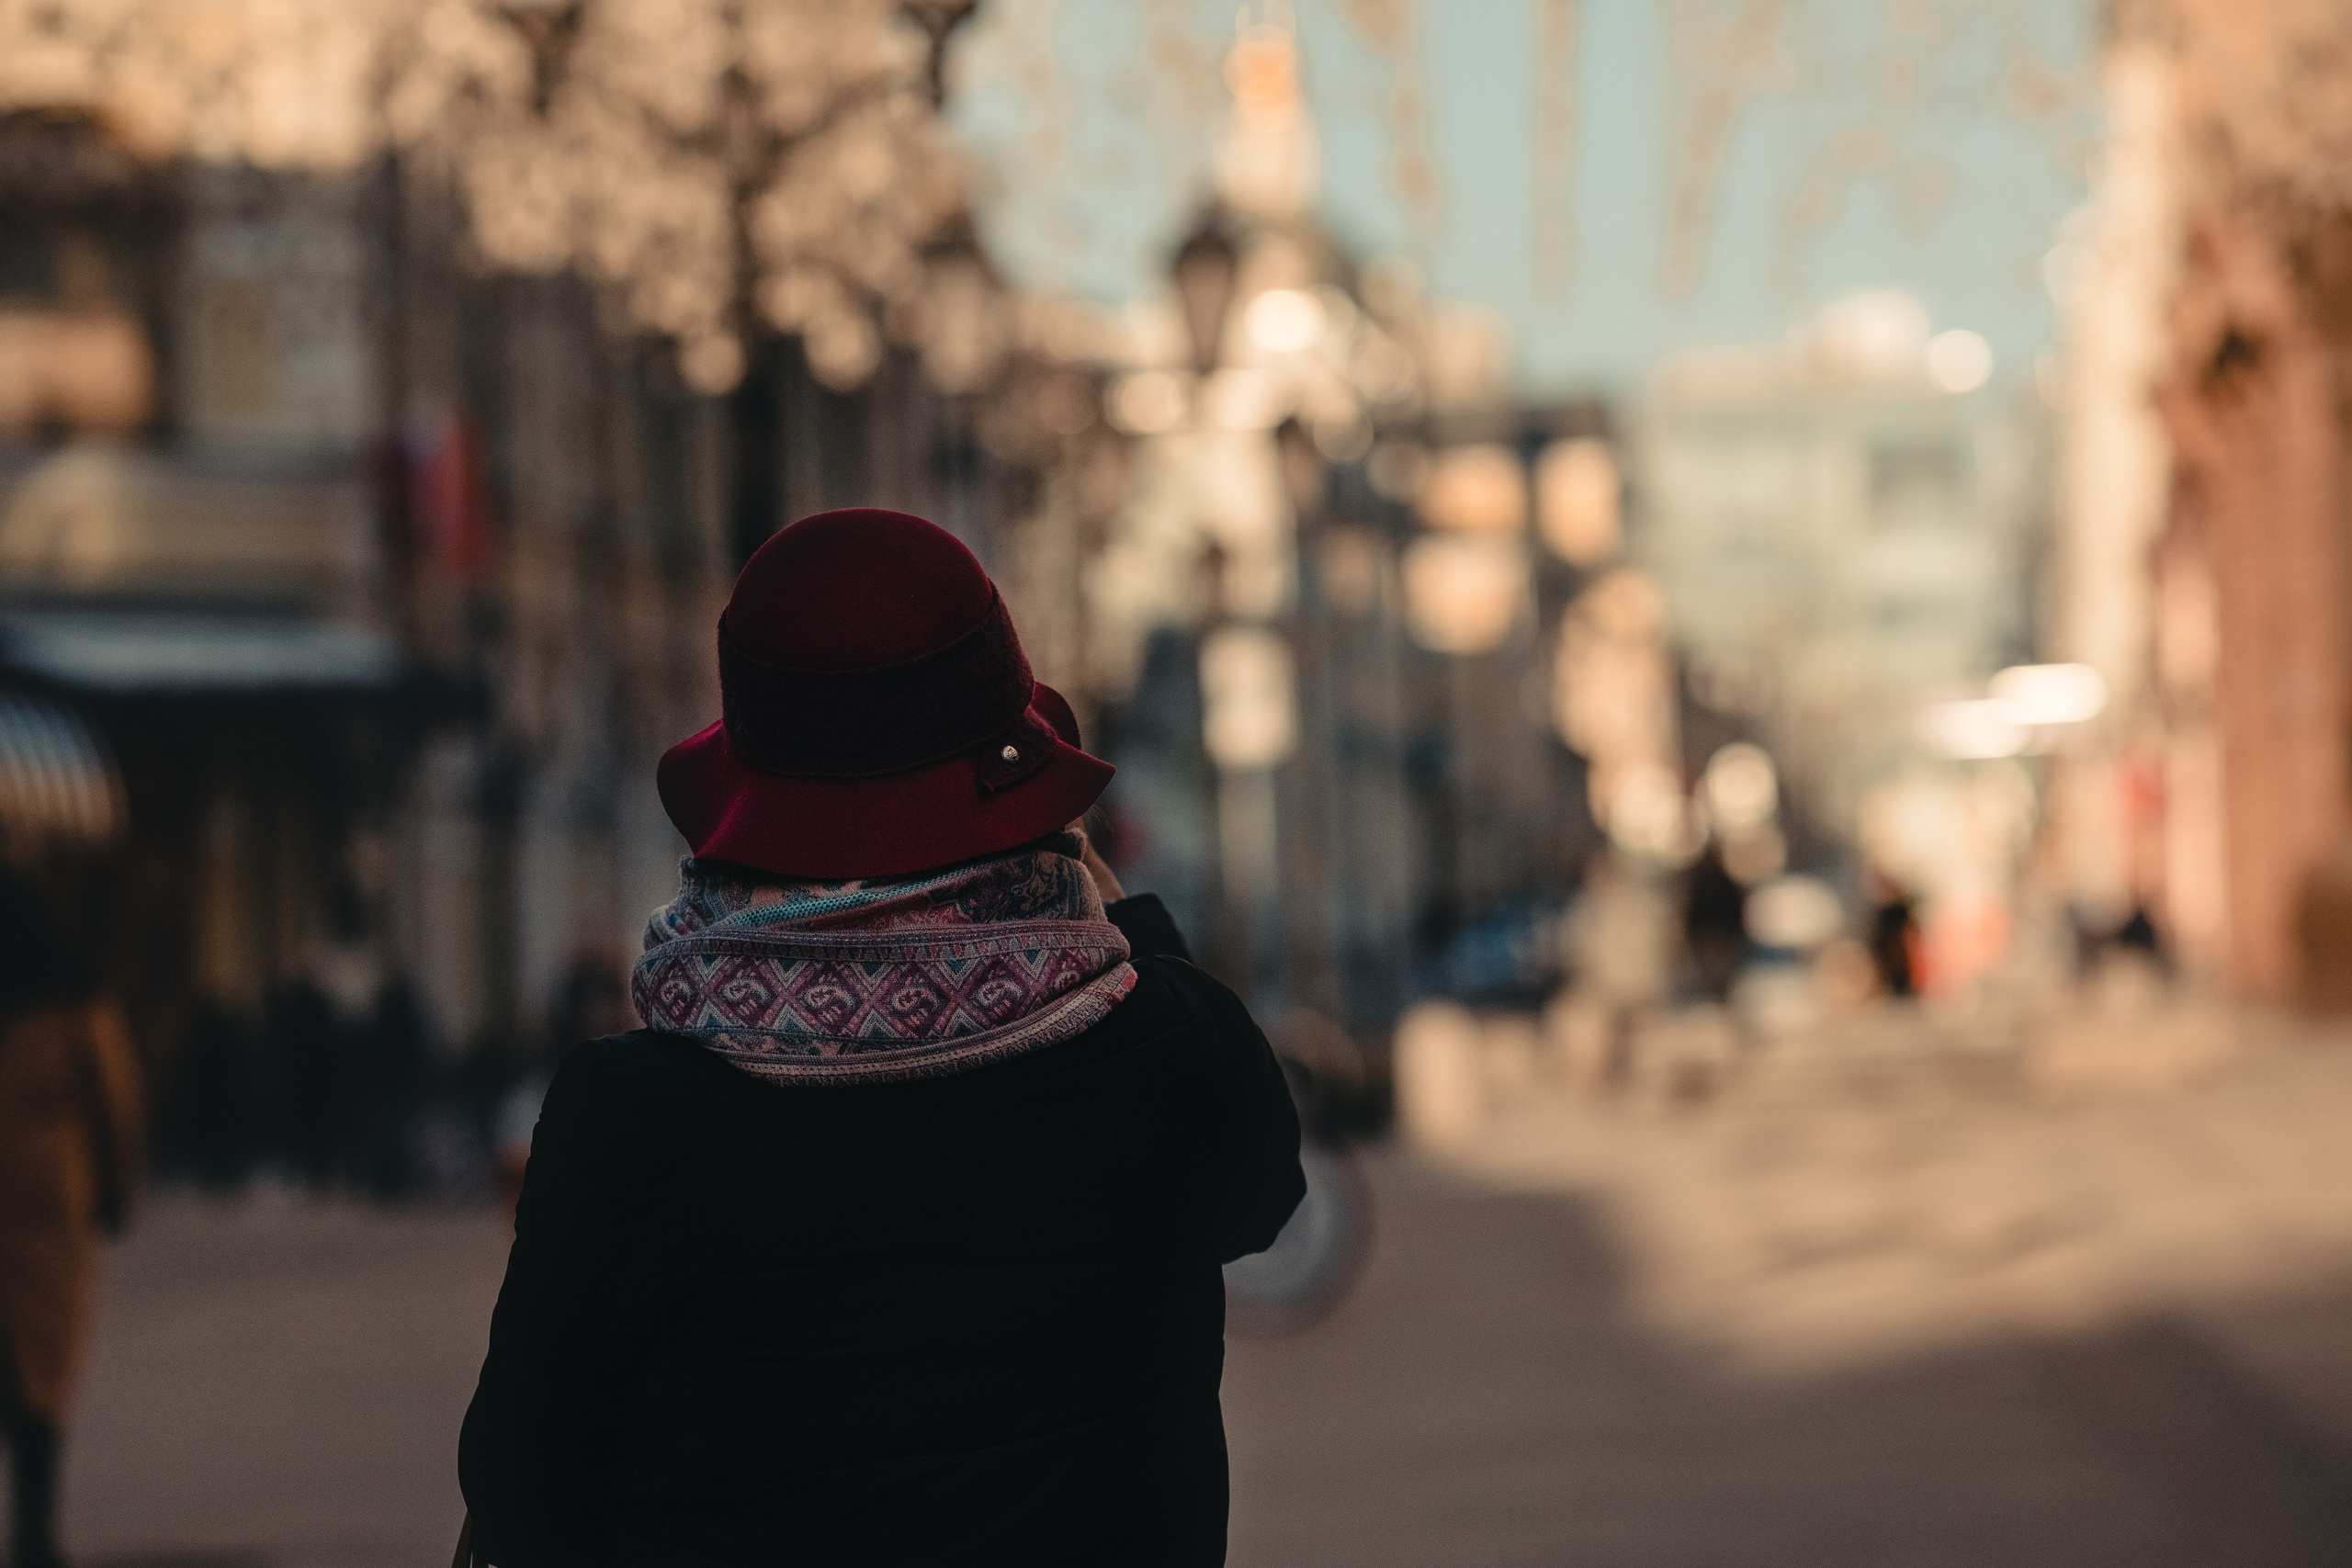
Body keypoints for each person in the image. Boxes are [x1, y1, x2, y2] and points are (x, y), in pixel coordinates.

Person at [458, 509, 1306, 1565]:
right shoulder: (1167, 1048)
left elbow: (519, 1486)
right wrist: (1115, 907)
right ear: (1026, 801)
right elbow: (1261, 1200)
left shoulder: (629, 1114)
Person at [0, 873, 144, 1568]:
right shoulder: (78, 1001)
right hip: (48, 1204)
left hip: (33, 1201)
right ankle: (34, 1529)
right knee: (43, 1372)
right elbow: (115, 1101)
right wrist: (115, 1193)